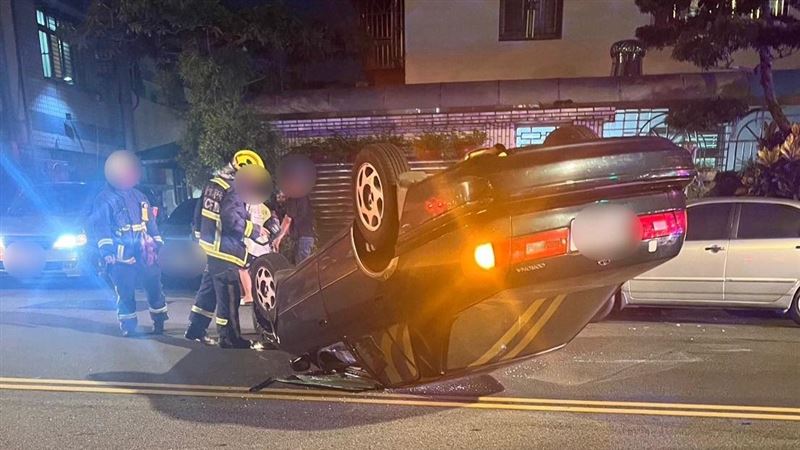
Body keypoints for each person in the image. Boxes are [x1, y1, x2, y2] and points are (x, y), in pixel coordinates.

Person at [185, 149, 270, 349]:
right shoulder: (233, 189)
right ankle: (229, 338)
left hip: (207, 250)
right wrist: (255, 230)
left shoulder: (213, 184)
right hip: (225, 251)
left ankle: (195, 329)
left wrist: (200, 239)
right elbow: (232, 221)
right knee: (228, 296)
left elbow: (198, 215)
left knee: (207, 292)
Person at [92, 150, 167, 337]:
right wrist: (107, 251)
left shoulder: (140, 196)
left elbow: (150, 223)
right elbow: (101, 228)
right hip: (121, 255)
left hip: (144, 251)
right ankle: (129, 326)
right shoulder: (104, 199)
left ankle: (159, 321)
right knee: (125, 291)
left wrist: (158, 244)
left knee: (154, 286)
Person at [239, 201, 272, 305]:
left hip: (251, 243)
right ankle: (263, 294)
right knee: (260, 270)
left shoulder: (247, 206)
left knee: (243, 269)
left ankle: (248, 296)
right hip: (263, 243)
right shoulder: (264, 207)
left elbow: (243, 221)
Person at [273, 194, 315, 264]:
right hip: (308, 236)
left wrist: (279, 238)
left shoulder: (293, 198)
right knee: (304, 266)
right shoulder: (303, 196)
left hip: (302, 237)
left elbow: (288, 220)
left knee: (301, 268)